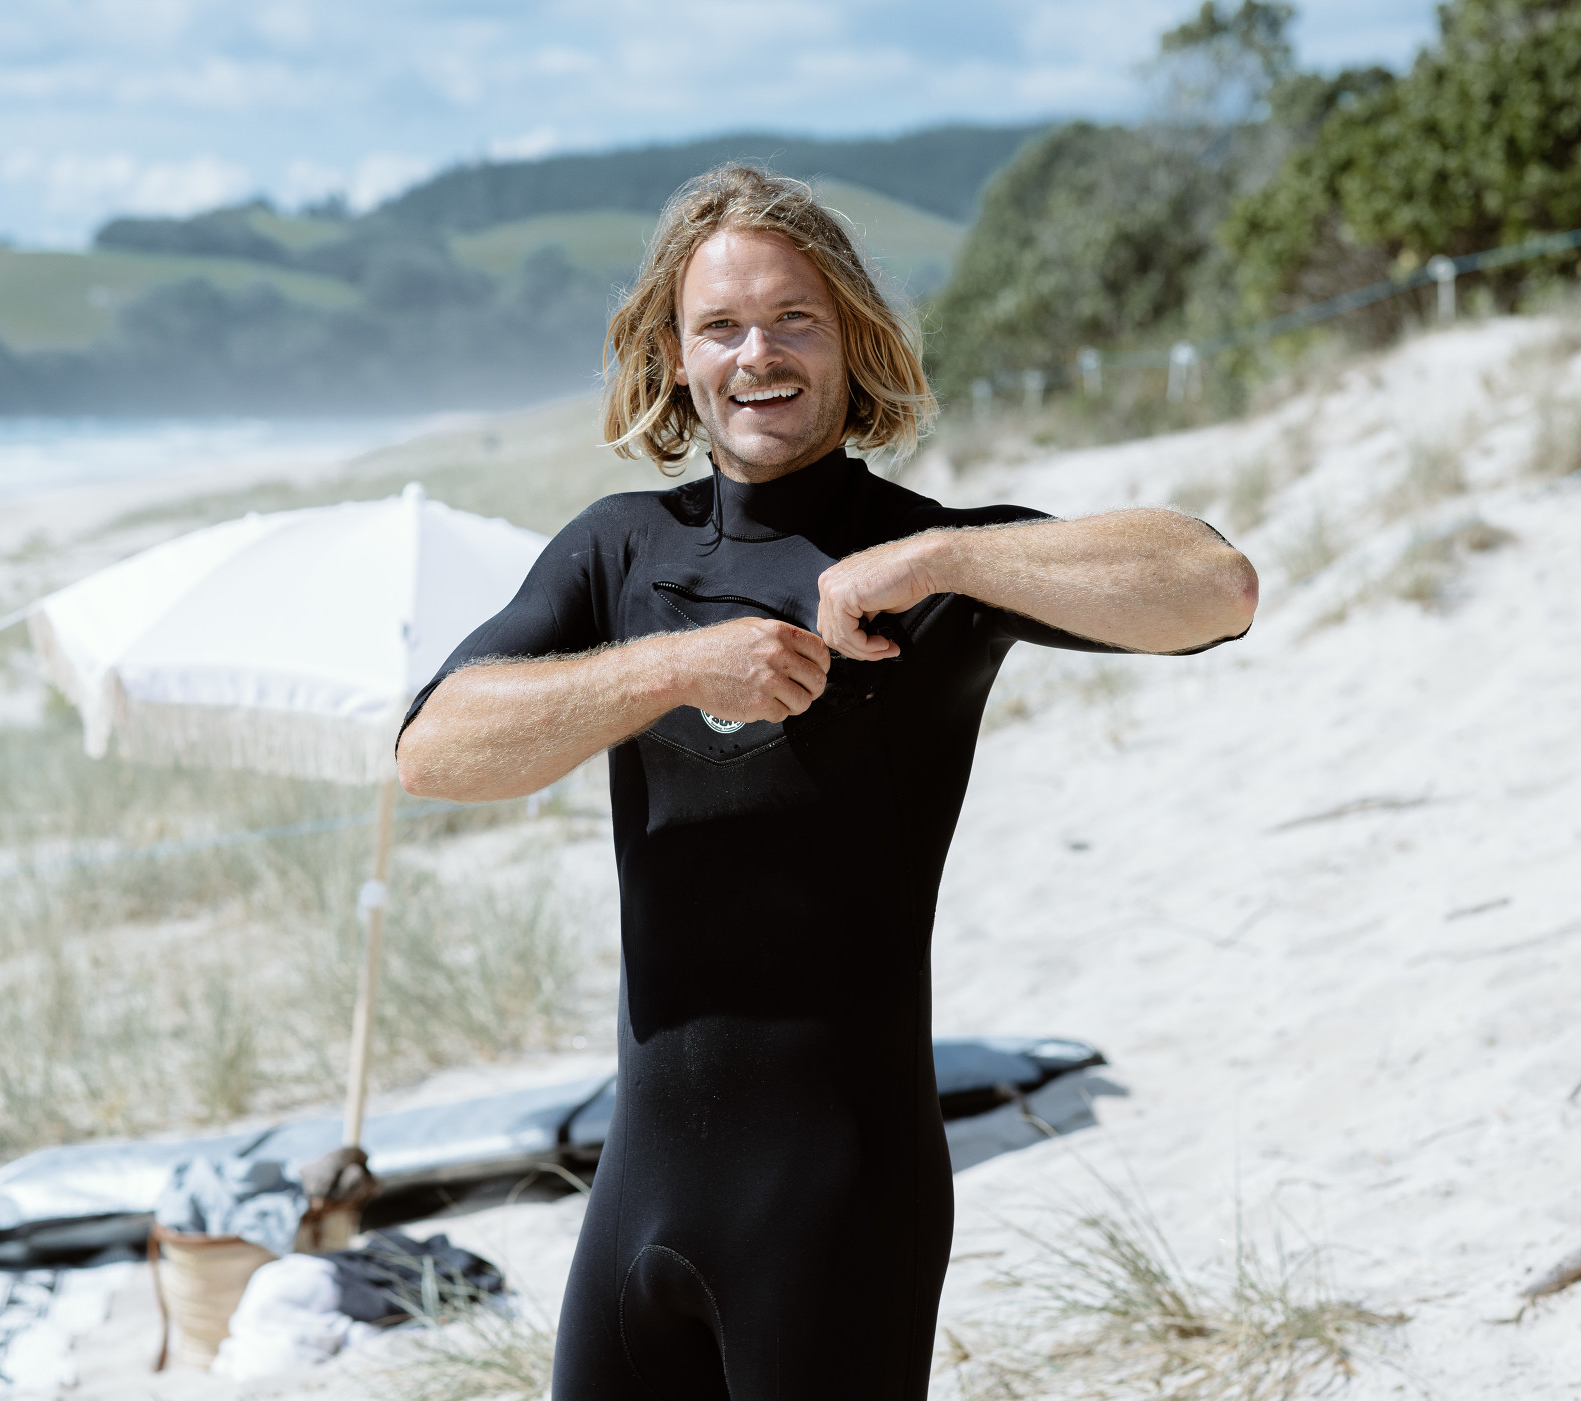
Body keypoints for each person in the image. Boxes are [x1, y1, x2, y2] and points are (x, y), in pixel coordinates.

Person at [394, 165, 1256, 1401]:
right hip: (639, 1196)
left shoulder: (932, 564)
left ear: (851, 335)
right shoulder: (616, 549)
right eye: (721, 326)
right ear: (674, 356)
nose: (759, 353)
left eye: (794, 317)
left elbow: (1215, 588)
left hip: (840, 1198)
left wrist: (948, 554)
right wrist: (677, 667)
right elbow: (435, 749)